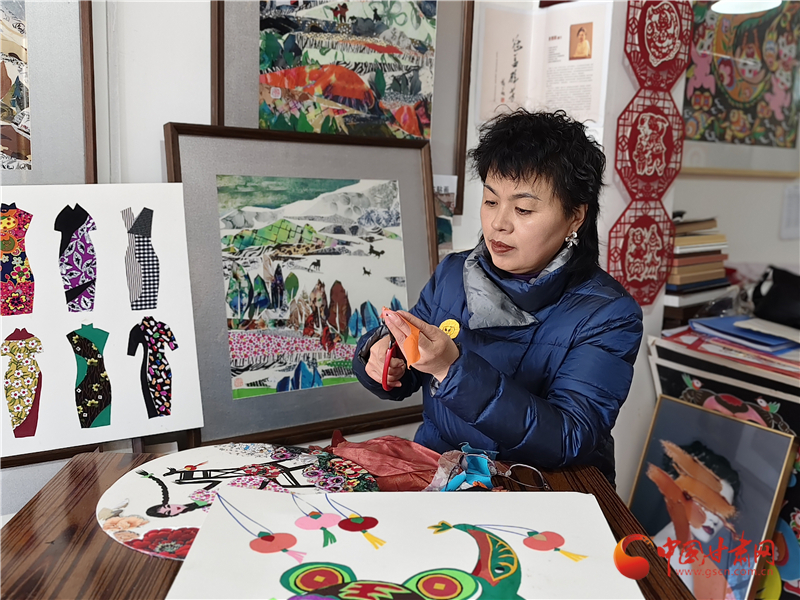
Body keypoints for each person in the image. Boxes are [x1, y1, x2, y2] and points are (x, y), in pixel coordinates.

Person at [352, 109, 643, 485]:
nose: (498, 223)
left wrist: (451, 370)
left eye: (523, 209)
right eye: (491, 201)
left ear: (575, 217)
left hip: (538, 492)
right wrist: (383, 355)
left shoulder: (608, 313)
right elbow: (409, 368)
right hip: (442, 480)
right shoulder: (454, 272)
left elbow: (570, 437)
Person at [648, 440, 741, 599]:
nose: (715, 520)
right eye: (711, 505)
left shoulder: (697, 562)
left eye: (723, 513)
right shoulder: (672, 553)